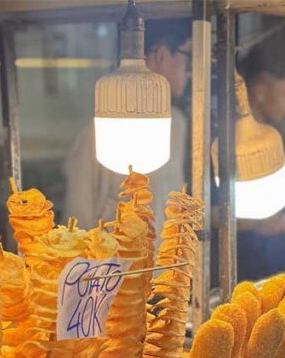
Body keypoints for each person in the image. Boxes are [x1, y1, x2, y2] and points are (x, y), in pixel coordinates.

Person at [62, 20, 190, 233]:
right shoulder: (100, 131)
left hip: (165, 252)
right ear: (161, 55)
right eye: (188, 59)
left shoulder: (177, 123)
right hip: (114, 254)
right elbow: (77, 214)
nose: (190, 73)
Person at [235, 44, 285, 282]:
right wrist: (253, 223)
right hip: (240, 262)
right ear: (260, 91)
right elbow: (202, 208)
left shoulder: (275, 135)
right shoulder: (229, 141)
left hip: (274, 255)